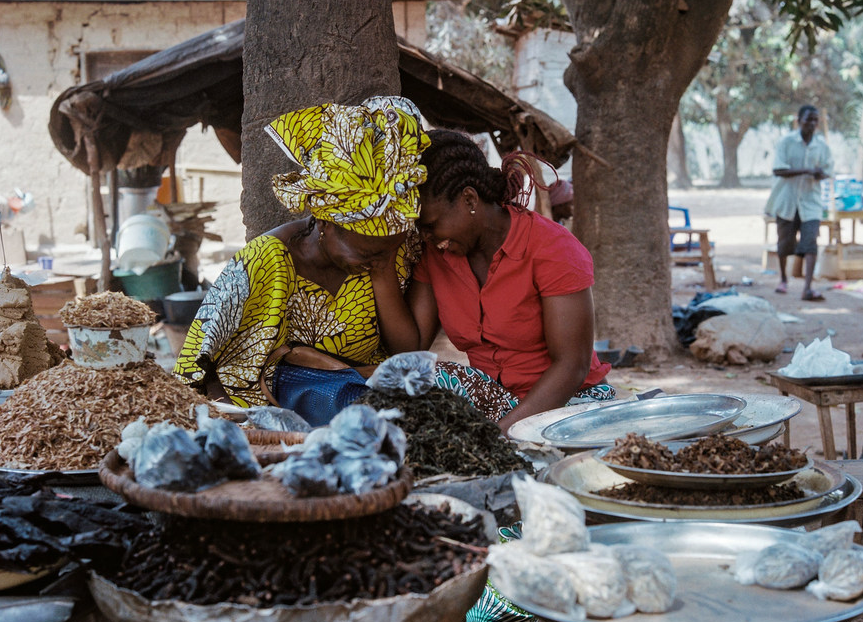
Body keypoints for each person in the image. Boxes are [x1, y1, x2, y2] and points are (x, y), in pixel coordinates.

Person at [173, 96, 429, 412]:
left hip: (367, 398)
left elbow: (407, 352)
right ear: (325, 222)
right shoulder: (266, 261)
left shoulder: (391, 250)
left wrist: (382, 269)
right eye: (367, 252)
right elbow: (197, 368)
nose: (378, 259)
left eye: (389, 251)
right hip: (277, 412)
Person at [401, 129, 613, 436]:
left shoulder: (552, 249)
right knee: (416, 378)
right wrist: (380, 265)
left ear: (469, 199)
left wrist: (498, 435)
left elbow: (571, 366)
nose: (426, 237)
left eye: (431, 225)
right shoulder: (436, 253)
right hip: (496, 402)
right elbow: (410, 348)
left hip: (568, 403)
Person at [764, 104, 833, 301]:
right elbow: (778, 170)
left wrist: (819, 173)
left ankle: (807, 288)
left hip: (811, 202)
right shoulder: (786, 142)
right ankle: (784, 279)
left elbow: (827, 169)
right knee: (785, 243)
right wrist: (806, 170)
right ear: (799, 121)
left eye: (815, 120)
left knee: (810, 242)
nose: (811, 124)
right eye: (808, 120)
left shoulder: (822, 146)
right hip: (786, 201)